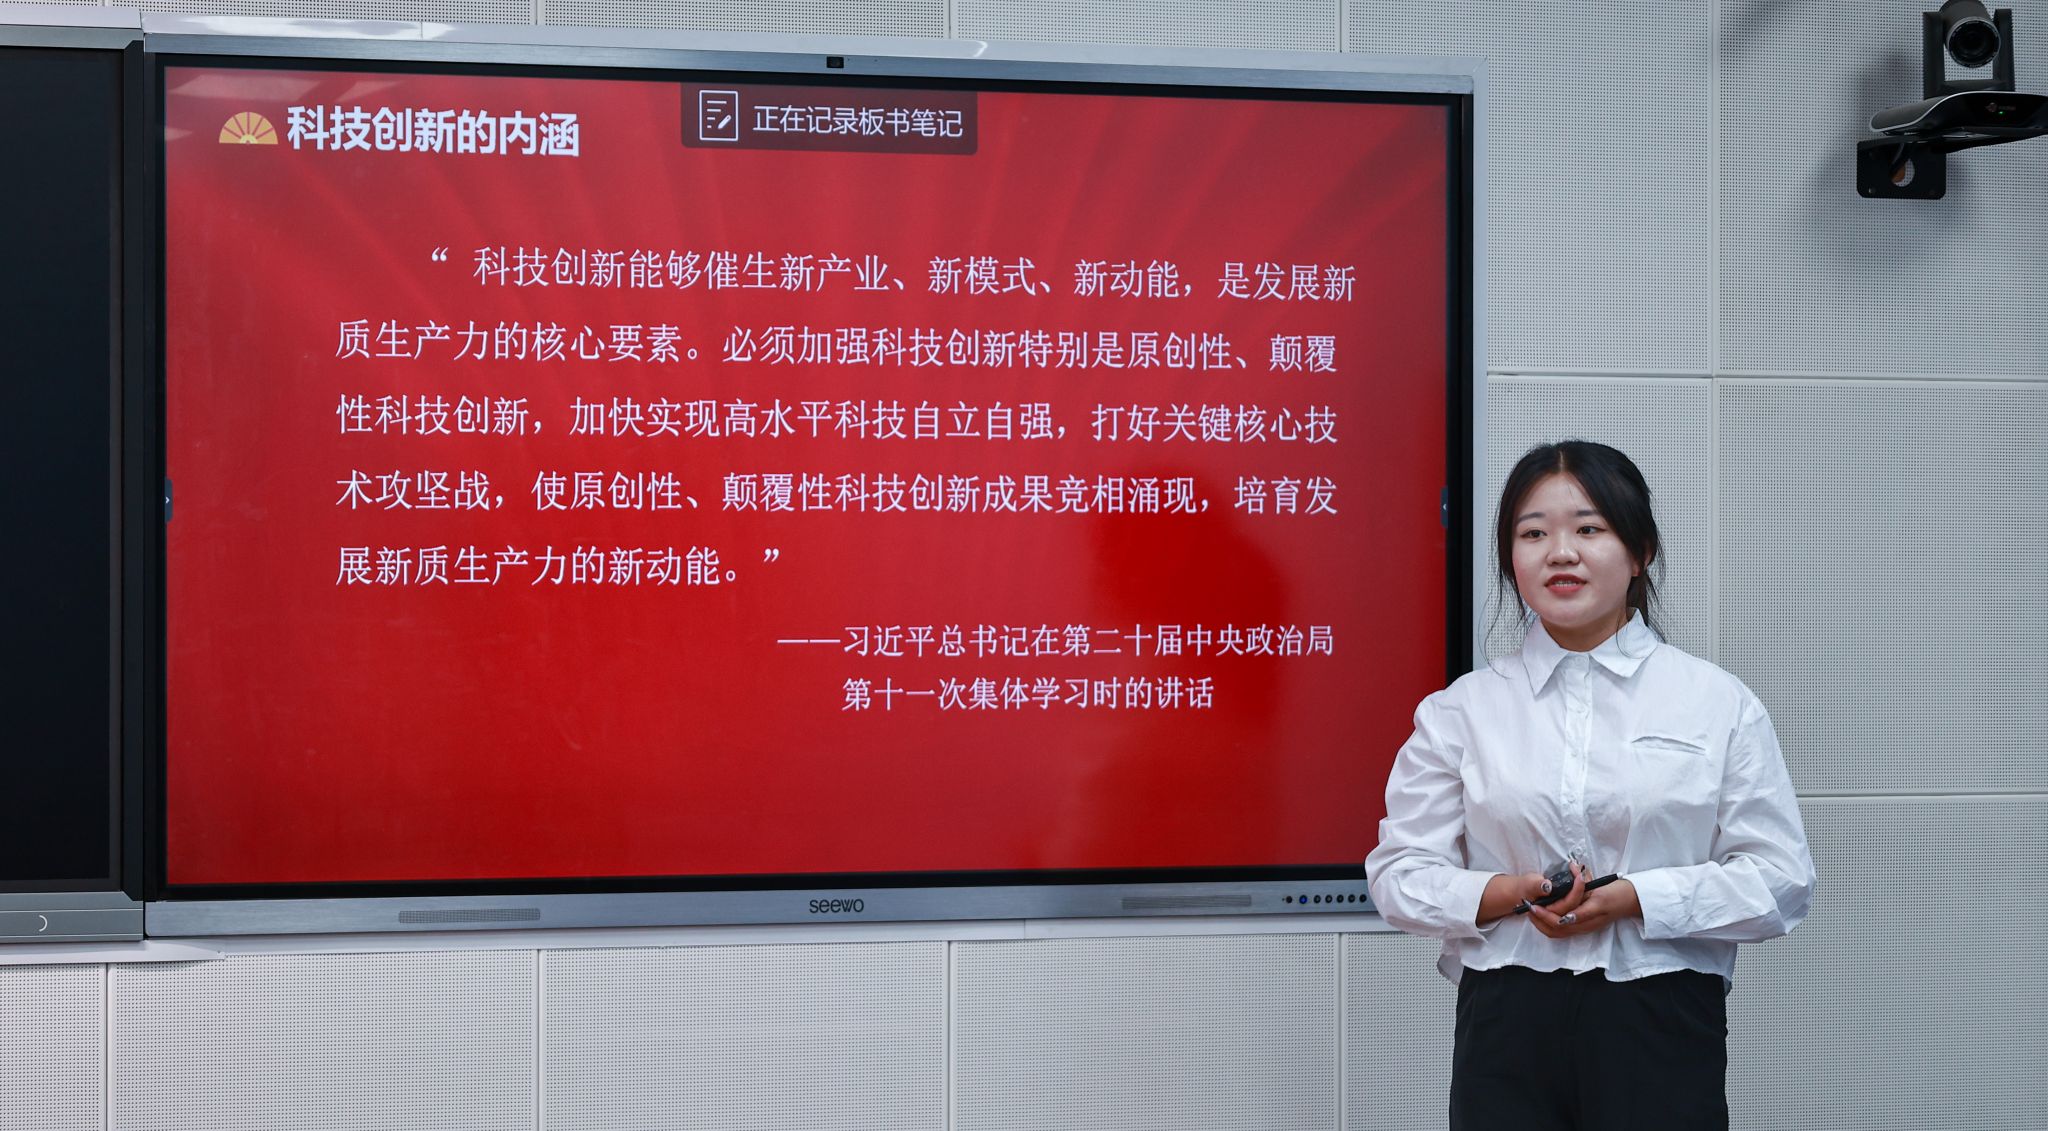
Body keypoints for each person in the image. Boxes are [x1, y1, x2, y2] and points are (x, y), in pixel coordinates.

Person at [1364, 440, 1814, 1131]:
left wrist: (1638, 897)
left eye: (1589, 528)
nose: (1561, 553)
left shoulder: (1716, 703)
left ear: (1640, 552)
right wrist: (1506, 892)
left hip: (1661, 1019)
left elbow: (1782, 881)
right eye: (1533, 533)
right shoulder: (1461, 711)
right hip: (1506, 1023)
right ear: (1510, 559)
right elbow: (1397, 875)